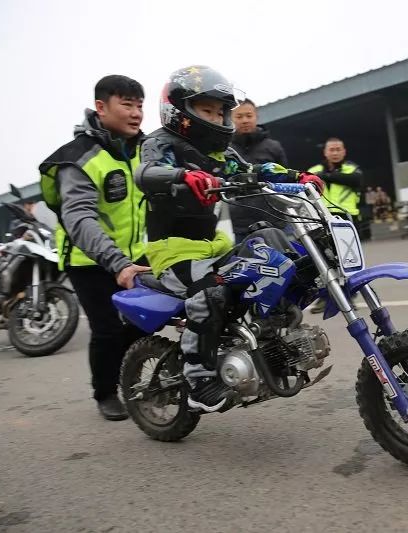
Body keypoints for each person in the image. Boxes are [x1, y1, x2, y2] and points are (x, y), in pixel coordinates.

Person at [134, 65, 323, 412]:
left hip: (214, 247)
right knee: (210, 293)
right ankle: (198, 379)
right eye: (207, 110)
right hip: (174, 253)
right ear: (180, 110)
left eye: (221, 111)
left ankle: (272, 329)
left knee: (273, 242)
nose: (218, 117)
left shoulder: (222, 152)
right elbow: (144, 172)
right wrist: (181, 175)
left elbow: (256, 169)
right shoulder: (161, 143)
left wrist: (300, 177)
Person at [38, 75, 150, 420]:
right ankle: (105, 392)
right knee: (107, 329)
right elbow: (80, 219)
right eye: (127, 105)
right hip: (89, 260)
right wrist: (117, 263)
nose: (136, 114)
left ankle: (128, 372)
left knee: (147, 319)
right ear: (101, 108)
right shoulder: (78, 159)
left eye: (140, 106)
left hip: (135, 253)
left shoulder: (147, 150)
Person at [308, 138, 364, 313]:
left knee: (347, 260)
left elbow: (355, 180)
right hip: (321, 218)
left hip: (346, 219)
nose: (335, 152)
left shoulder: (352, 169)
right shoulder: (313, 170)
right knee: (322, 260)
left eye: (338, 149)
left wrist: (326, 177)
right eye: (331, 149)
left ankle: (348, 297)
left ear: (344, 151)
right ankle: (325, 298)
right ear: (325, 152)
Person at [227, 99, 290, 241]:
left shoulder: (274, 147)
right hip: (241, 224)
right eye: (239, 116)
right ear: (231, 119)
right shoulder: (225, 150)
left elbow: (285, 178)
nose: (244, 120)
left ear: (256, 116)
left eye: (249, 116)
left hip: (275, 220)